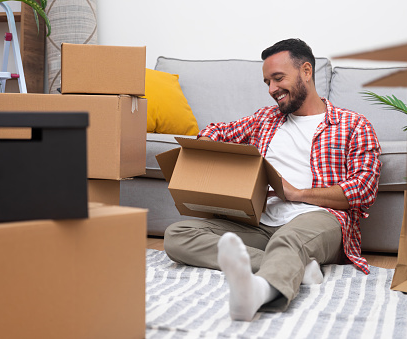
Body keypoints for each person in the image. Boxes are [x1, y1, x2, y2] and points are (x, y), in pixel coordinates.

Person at [163, 38, 381, 322]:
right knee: (178, 235)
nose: (271, 90)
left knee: (290, 239)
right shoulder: (265, 118)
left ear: (306, 71)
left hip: (318, 218)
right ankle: (296, 269)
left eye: (278, 79)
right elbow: (217, 131)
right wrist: (208, 152)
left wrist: (297, 193)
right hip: (262, 222)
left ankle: (261, 291)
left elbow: (363, 190)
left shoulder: (354, 124)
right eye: (267, 82)